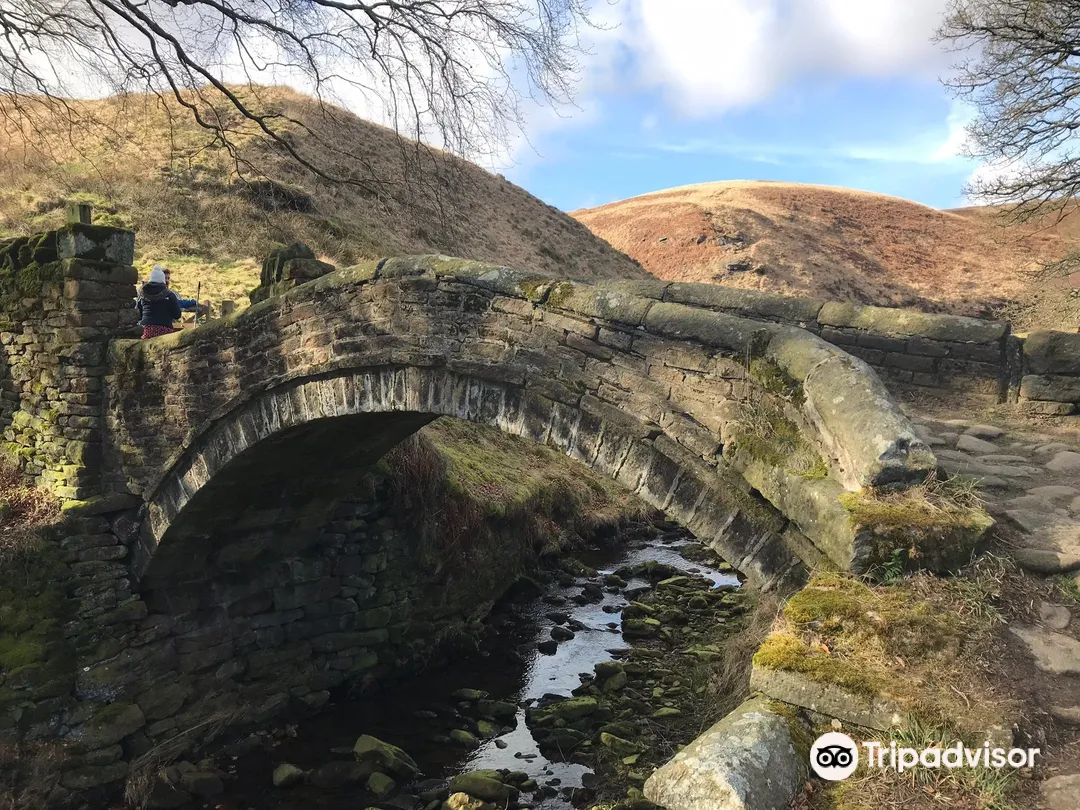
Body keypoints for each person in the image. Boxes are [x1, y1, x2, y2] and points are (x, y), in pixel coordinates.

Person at [136, 266, 182, 339]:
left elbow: (138, 313)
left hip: (145, 329)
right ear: (162, 280)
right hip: (164, 329)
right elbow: (177, 315)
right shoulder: (169, 295)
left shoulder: (142, 294)